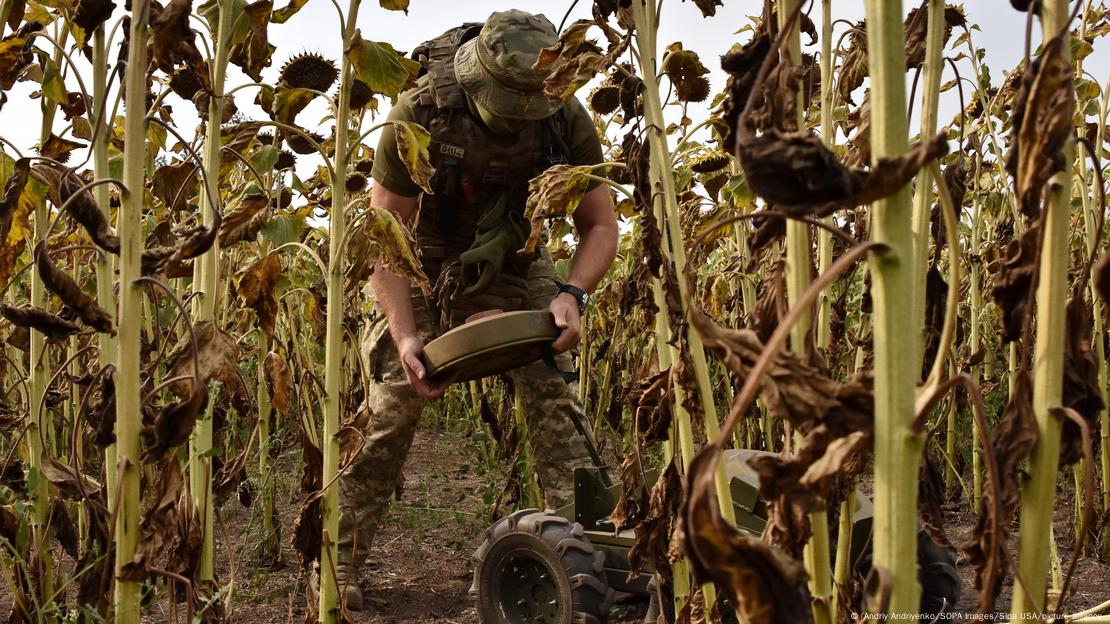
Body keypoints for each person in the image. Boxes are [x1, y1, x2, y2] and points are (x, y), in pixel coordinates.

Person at [336, 9, 619, 611]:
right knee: (390, 404)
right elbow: (386, 242)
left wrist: (571, 295)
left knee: (557, 397)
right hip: (422, 260)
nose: (517, 115)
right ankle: (338, 559)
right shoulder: (420, 113)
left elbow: (598, 223)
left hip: (516, 258)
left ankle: (586, 554)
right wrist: (408, 336)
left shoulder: (566, 117)